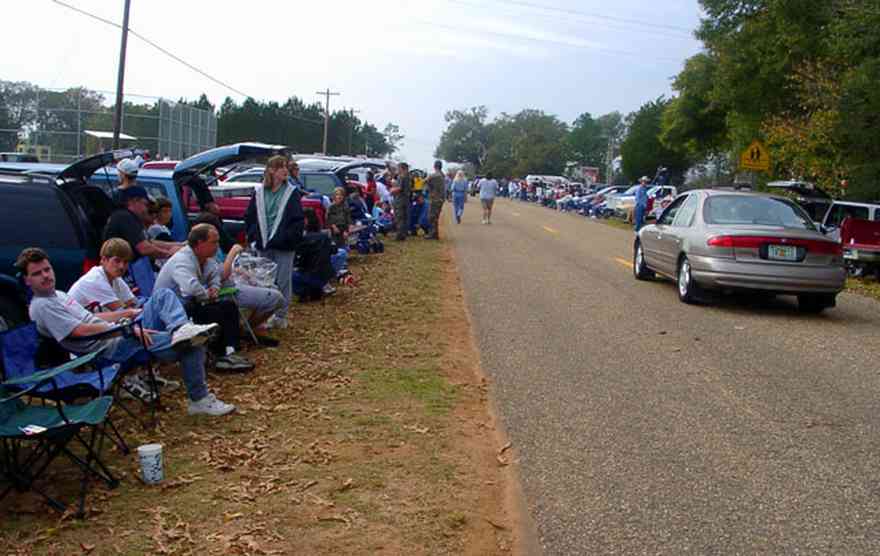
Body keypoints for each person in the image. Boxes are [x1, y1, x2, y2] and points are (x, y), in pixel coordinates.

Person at [18, 247, 233, 416]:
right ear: (27, 280)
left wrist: (128, 313)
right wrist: (125, 328)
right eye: (37, 274)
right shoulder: (43, 306)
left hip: (116, 334)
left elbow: (90, 318)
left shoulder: (58, 295)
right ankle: (199, 399)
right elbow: (81, 331)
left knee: (162, 296)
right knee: (193, 342)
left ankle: (180, 328)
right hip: (105, 349)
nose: (45, 276)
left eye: (47, 270)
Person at [155, 224, 255, 372]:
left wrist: (215, 288)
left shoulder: (206, 259)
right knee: (214, 313)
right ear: (200, 243)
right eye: (214, 242)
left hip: (190, 304)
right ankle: (216, 356)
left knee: (229, 306)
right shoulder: (182, 260)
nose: (217, 246)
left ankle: (229, 351)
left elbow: (214, 275)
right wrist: (208, 294)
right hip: (172, 313)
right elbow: (190, 288)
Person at [244, 155, 304, 329]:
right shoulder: (259, 192)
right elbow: (250, 216)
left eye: (286, 167)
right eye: (281, 167)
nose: (285, 170)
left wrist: (288, 238)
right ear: (271, 170)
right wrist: (253, 236)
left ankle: (280, 315)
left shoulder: (291, 192)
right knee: (263, 280)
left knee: (283, 281)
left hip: (284, 245)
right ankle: (265, 314)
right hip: (263, 243)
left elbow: (297, 220)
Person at [104, 186, 180, 263]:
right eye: (145, 204)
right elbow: (144, 248)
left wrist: (179, 245)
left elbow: (149, 242)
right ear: (135, 201)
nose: (146, 209)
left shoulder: (131, 217)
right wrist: (170, 254)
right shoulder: (124, 217)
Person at [391, 162, 412, 241]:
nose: (398, 169)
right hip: (406, 198)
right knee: (404, 217)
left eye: (398, 168)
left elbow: (400, 188)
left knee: (399, 217)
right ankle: (403, 233)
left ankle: (399, 235)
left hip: (400, 199)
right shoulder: (408, 176)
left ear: (402, 168)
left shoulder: (402, 176)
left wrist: (392, 190)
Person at [425, 160, 446, 239]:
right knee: (435, 216)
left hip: (435, 198)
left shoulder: (434, 175)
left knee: (432, 216)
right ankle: (434, 233)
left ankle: (433, 234)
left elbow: (425, 181)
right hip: (440, 198)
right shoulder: (442, 175)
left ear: (434, 166)